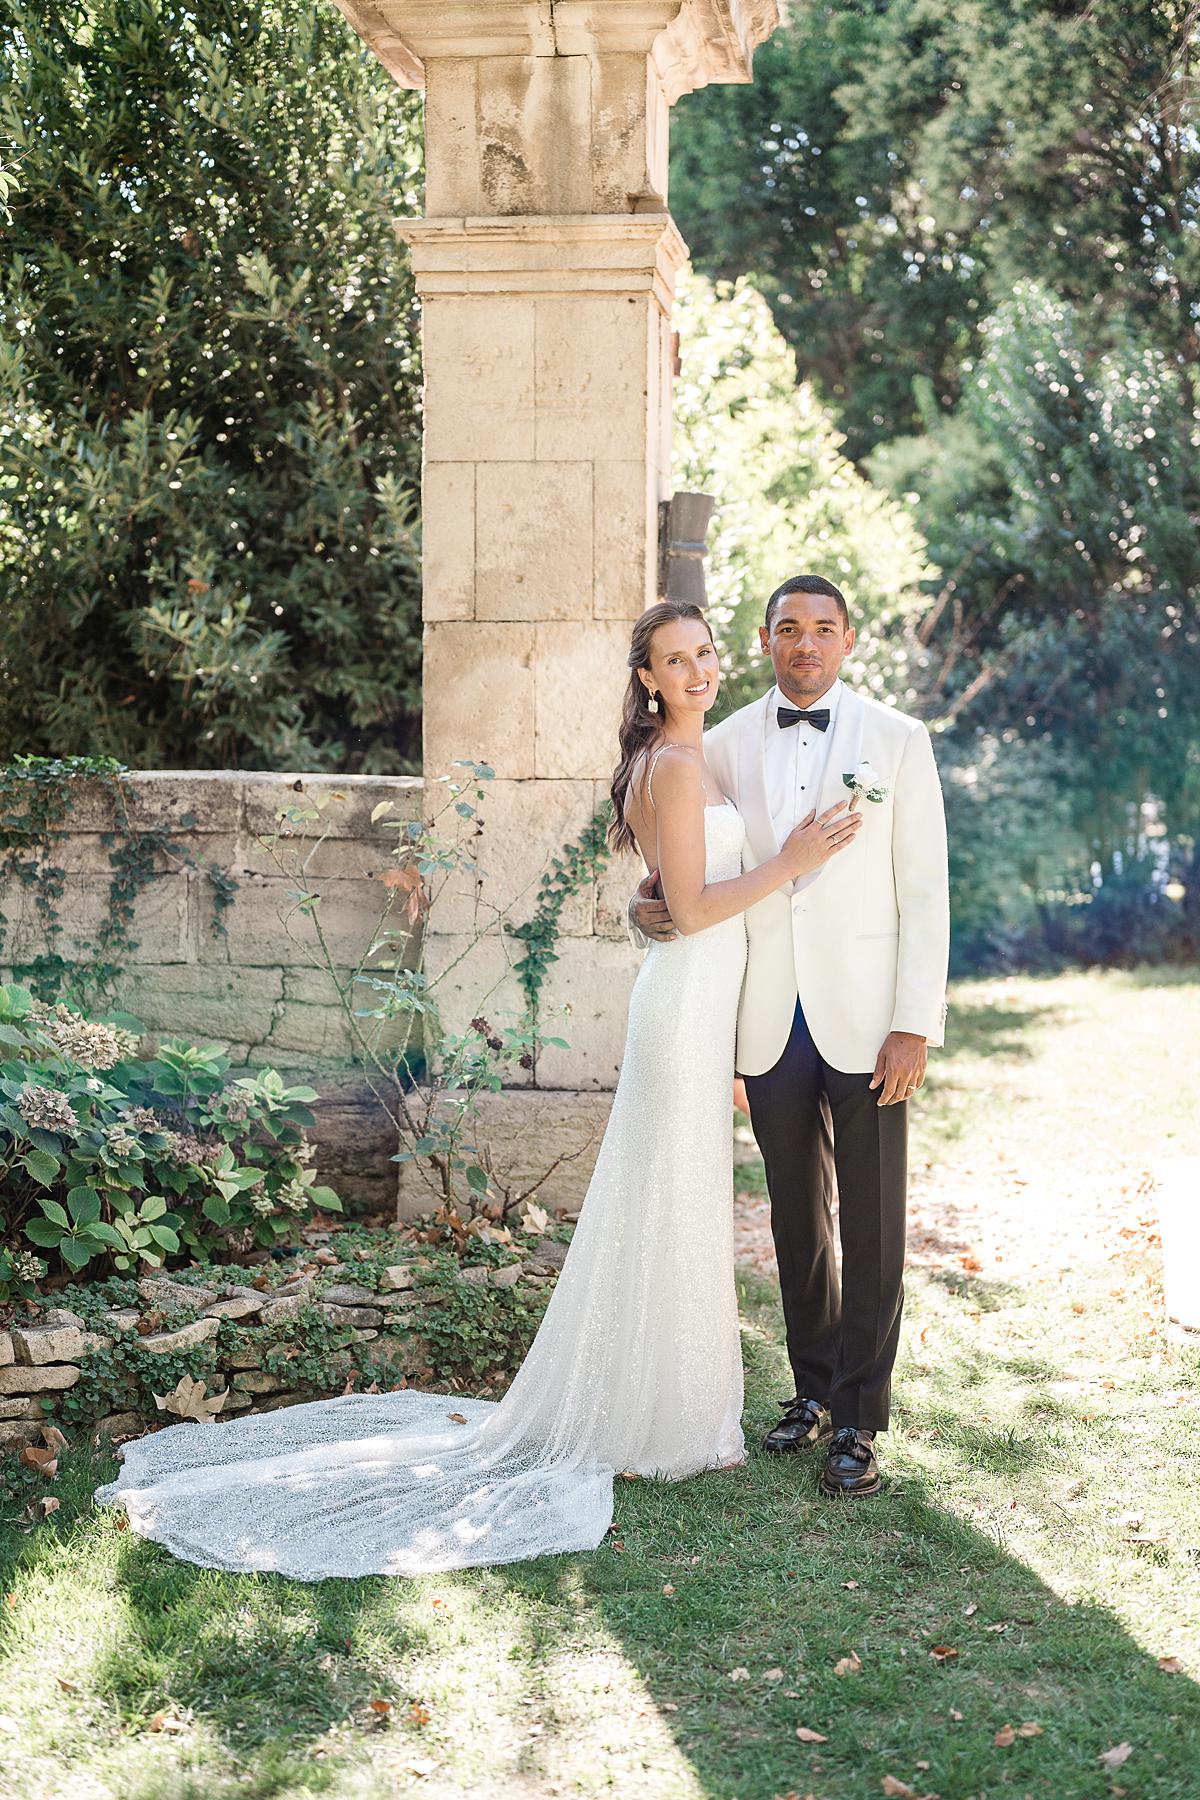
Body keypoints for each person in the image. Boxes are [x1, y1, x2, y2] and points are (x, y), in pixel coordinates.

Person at [94, 599, 861, 1578]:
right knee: (669, 1203)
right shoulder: (669, 766)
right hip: (682, 1012)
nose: (702, 670)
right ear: (649, 680)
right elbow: (699, 908)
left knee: (679, 1204)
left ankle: (677, 1409)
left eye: (707, 653)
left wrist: (676, 914)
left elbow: (665, 902)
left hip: (703, 1004)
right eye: (679, 660)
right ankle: (668, 1424)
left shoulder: (698, 760)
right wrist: (791, 863)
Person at [630, 575, 950, 1498]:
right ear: (766, 641)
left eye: (821, 629)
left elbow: (924, 896)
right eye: (786, 630)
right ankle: (809, 1393)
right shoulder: (717, 743)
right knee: (794, 1219)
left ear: (848, 640)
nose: (804, 644)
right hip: (764, 1019)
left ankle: (859, 1417)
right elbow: (681, 859)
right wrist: (640, 905)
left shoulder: (898, 740)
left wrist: (911, 1024)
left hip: (867, 1018)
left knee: (875, 1220)